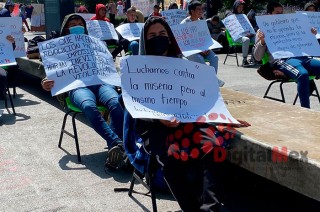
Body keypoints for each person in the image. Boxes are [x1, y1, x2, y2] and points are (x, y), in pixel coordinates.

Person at [124, 16, 250, 211]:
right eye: (152, 35)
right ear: (145, 40)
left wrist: (226, 116)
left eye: (163, 34)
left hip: (191, 124)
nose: (159, 38)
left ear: (170, 37)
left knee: (212, 148)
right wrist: (159, 118)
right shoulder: (137, 70)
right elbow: (132, 106)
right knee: (173, 162)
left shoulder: (184, 65)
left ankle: (211, 207)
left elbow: (206, 96)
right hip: (159, 131)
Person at [41, 14, 125, 169]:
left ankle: (118, 151)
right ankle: (118, 144)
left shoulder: (95, 43)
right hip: (77, 86)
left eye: (80, 23)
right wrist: (45, 82)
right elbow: (52, 72)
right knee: (88, 106)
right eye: (73, 24)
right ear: (66, 28)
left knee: (116, 102)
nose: (77, 26)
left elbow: (107, 64)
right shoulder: (57, 47)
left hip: (101, 83)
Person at [253, 2, 320, 109]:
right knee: (303, 74)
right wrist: (262, 42)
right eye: (277, 12)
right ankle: (305, 110)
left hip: (301, 57)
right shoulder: (262, 31)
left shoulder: (292, 25)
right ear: (269, 14)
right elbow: (257, 57)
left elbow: (305, 44)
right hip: (282, 60)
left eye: (281, 12)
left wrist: (311, 34)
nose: (280, 15)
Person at [181, 1, 224, 87]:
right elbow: (185, 43)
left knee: (214, 58)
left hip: (203, 49)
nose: (201, 11)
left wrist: (207, 48)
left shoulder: (201, 22)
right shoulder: (184, 23)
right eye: (199, 9)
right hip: (190, 51)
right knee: (199, 59)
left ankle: (210, 81)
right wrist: (199, 51)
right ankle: (213, 80)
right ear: (192, 11)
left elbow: (205, 38)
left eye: (202, 9)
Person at [226, 0, 255, 67]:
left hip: (246, 35)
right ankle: (244, 60)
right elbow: (233, 30)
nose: (241, 8)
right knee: (246, 39)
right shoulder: (230, 16)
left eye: (242, 7)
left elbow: (248, 27)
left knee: (257, 37)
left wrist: (251, 33)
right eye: (239, 6)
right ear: (235, 6)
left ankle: (254, 58)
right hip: (235, 37)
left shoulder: (243, 16)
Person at [0, 35, 15, 101]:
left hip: (2, 67)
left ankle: (1, 93)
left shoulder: (4, 37)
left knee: (2, 76)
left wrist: (12, 42)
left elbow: (10, 50)